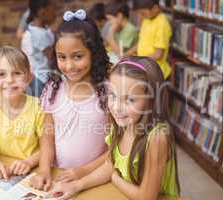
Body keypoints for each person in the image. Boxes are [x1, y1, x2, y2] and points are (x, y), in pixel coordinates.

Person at [49, 56, 181, 200]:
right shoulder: (121, 125)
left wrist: (115, 179)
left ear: (151, 100)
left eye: (130, 99)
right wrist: (77, 185)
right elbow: (111, 165)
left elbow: (145, 197)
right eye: (112, 95)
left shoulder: (156, 138)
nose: (117, 107)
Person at [29, 9, 111, 192]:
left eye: (78, 56)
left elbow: (116, 147)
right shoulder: (53, 88)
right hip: (61, 176)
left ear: (94, 53)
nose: (69, 66)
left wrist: (82, 172)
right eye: (62, 57)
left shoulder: (108, 91)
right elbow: (47, 136)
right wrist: (44, 169)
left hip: (96, 178)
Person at [0, 46, 45, 180]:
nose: (10, 80)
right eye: (1, 74)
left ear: (29, 78)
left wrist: (28, 162)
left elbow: (47, 148)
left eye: (17, 73)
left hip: (34, 168)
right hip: (2, 166)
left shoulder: (39, 107)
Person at [21, 0, 56, 97]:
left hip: (41, 77)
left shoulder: (39, 28)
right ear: (42, 12)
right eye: (53, 10)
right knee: (42, 108)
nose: (55, 14)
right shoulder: (38, 34)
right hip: (40, 79)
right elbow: (52, 57)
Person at [133, 0, 172, 79]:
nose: (140, 16)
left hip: (156, 72)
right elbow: (141, 42)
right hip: (145, 66)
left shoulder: (162, 25)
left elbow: (158, 55)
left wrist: (137, 62)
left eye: (143, 13)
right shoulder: (147, 19)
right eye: (139, 13)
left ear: (155, 8)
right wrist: (126, 55)